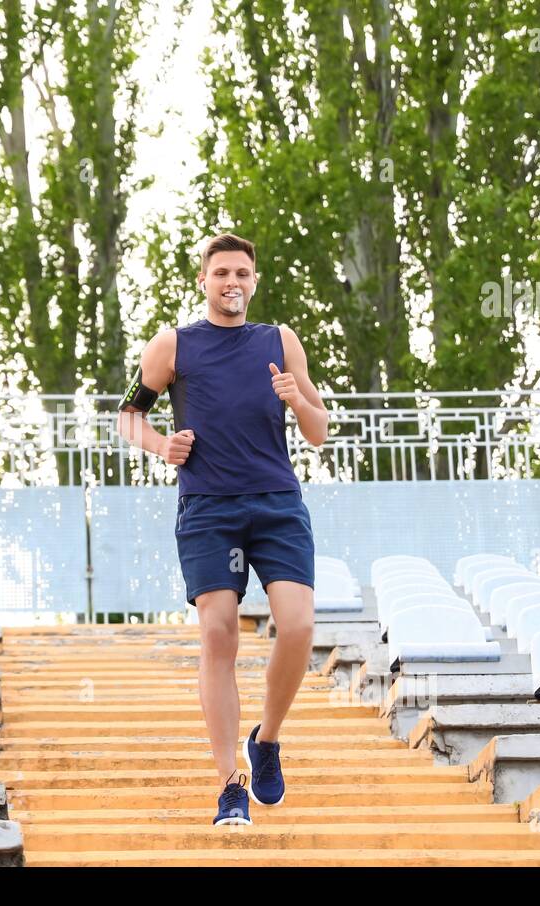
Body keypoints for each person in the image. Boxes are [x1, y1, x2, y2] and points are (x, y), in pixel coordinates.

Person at [116, 232, 329, 825]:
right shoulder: (173, 346)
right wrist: (163, 445)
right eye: (220, 273)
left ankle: (267, 740)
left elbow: (319, 430)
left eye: (241, 273)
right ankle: (229, 783)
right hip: (209, 507)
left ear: (254, 282)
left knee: (299, 625)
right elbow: (128, 416)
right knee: (218, 634)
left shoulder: (280, 342)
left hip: (277, 504)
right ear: (204, 281)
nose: (231, 282)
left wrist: (298, 398)